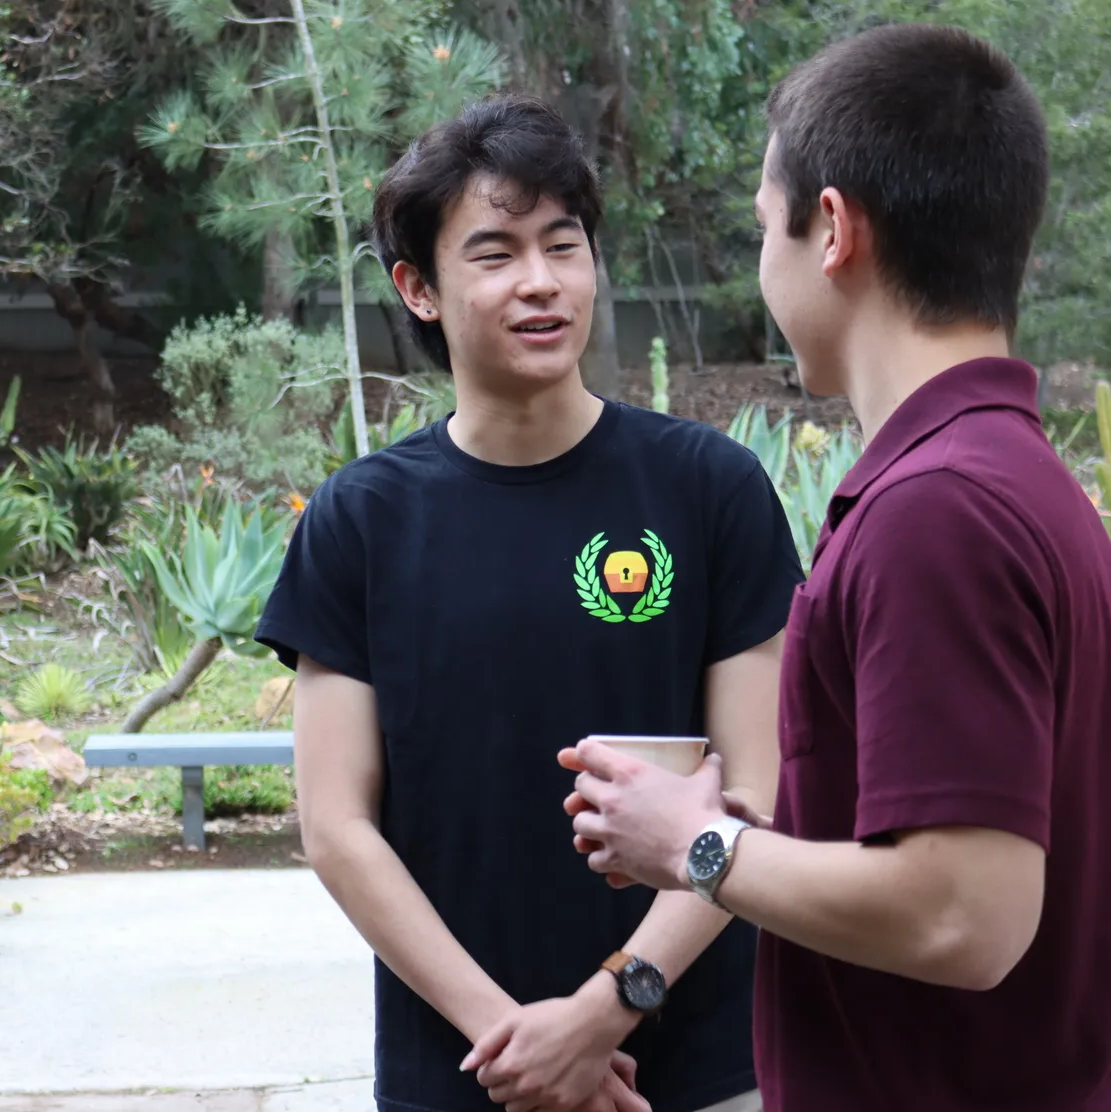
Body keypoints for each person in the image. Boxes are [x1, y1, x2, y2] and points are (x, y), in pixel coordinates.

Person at [559, 24, 1111, 1110]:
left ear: (830, 227)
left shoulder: (940, 514)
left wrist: (695, 846)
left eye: (760, 228)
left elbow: (963, 915)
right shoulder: (1009, 480)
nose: (762, 265)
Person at [255, 94, 803, 1112]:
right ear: (417, 287)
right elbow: (337, 826)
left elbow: (757, 797)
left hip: (698, 1069)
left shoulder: (709, 489)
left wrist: (606, 1010)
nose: (542, 282)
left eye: (564, 244)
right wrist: (516, 1043)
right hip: (466, 1075)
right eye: (496, 253)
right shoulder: (360, 522)